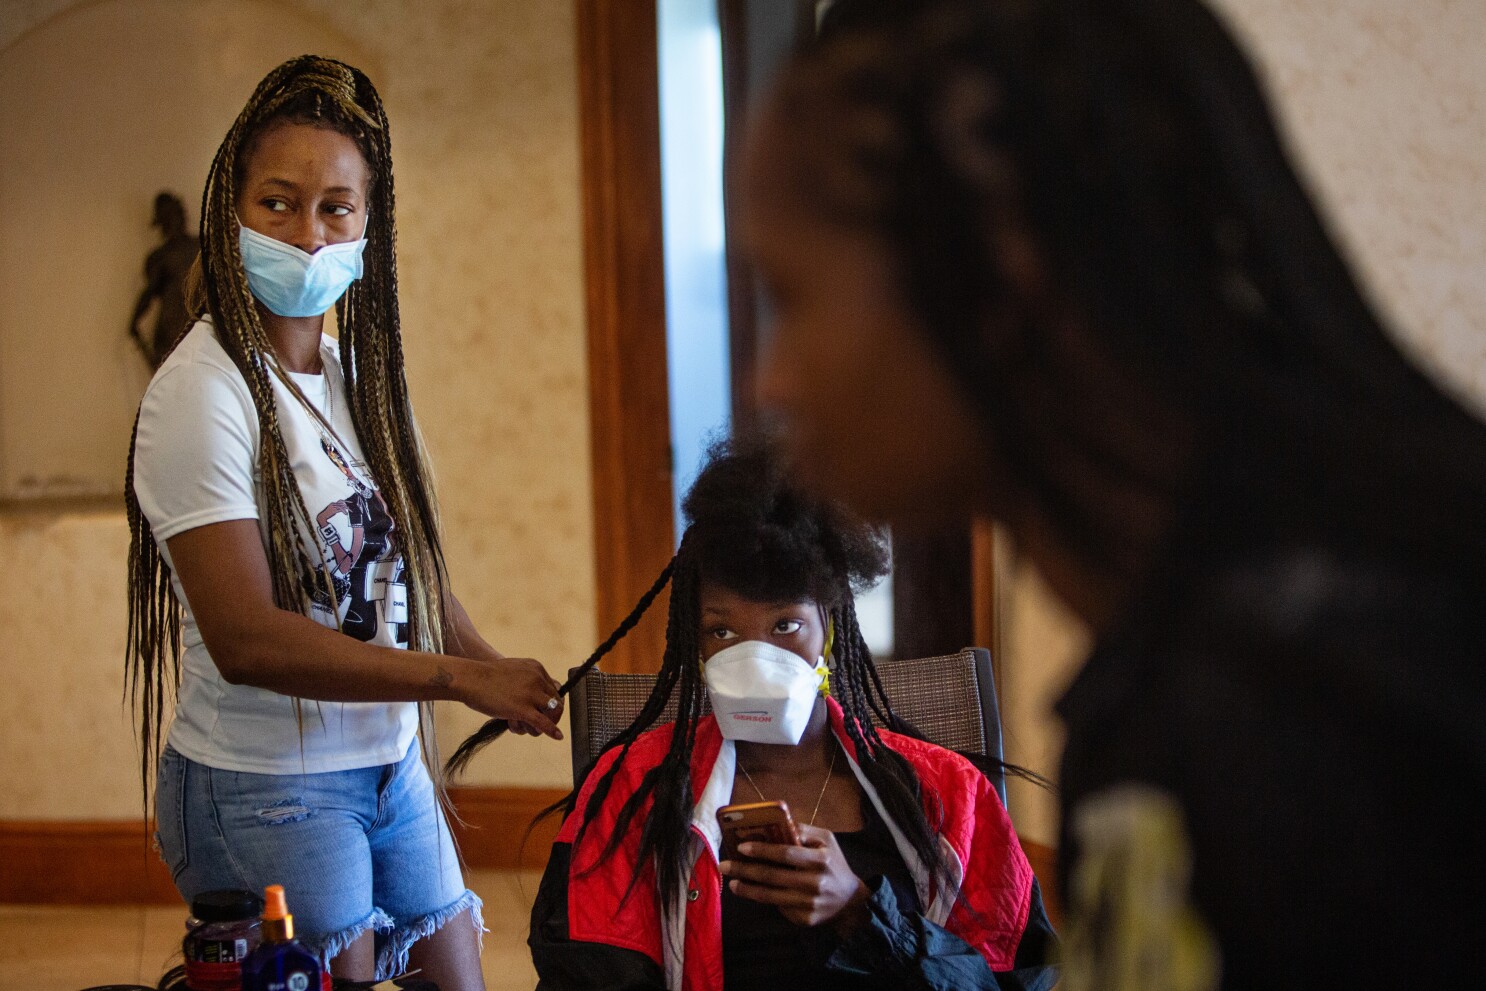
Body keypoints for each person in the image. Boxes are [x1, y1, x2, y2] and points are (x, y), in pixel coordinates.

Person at [741, 1, 1486, 988]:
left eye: (793, 298)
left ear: (1000, 277)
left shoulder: (1323, 697)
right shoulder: (1167, 673)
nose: (773, 381)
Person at [124, 56, 565, 989]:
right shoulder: (199, 393)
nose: (308, 234)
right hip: (262, 787)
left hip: (388, 766)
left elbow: (402, 568)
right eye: (278, 204)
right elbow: (245, 638)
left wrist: (488, 664)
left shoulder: (358, 376)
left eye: (336, 208)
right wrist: (454, 677)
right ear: (228, 212)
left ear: (371, 223)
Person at [514, 437, 1056, 990]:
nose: (755, 656)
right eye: (722, 631)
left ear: (830, 630)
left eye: (785, 627)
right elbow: (583, 973)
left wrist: (860, 912)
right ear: (693, 646)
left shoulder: (952, 796)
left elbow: (1010, 979)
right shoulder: (631, 789)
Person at [128, 191, 200, 369]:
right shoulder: (159, 257)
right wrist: (135, 322)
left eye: (175, 214)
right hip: (171, 333)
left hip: (201, 328)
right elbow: (150, 292)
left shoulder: (202, 246)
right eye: (168, 217)